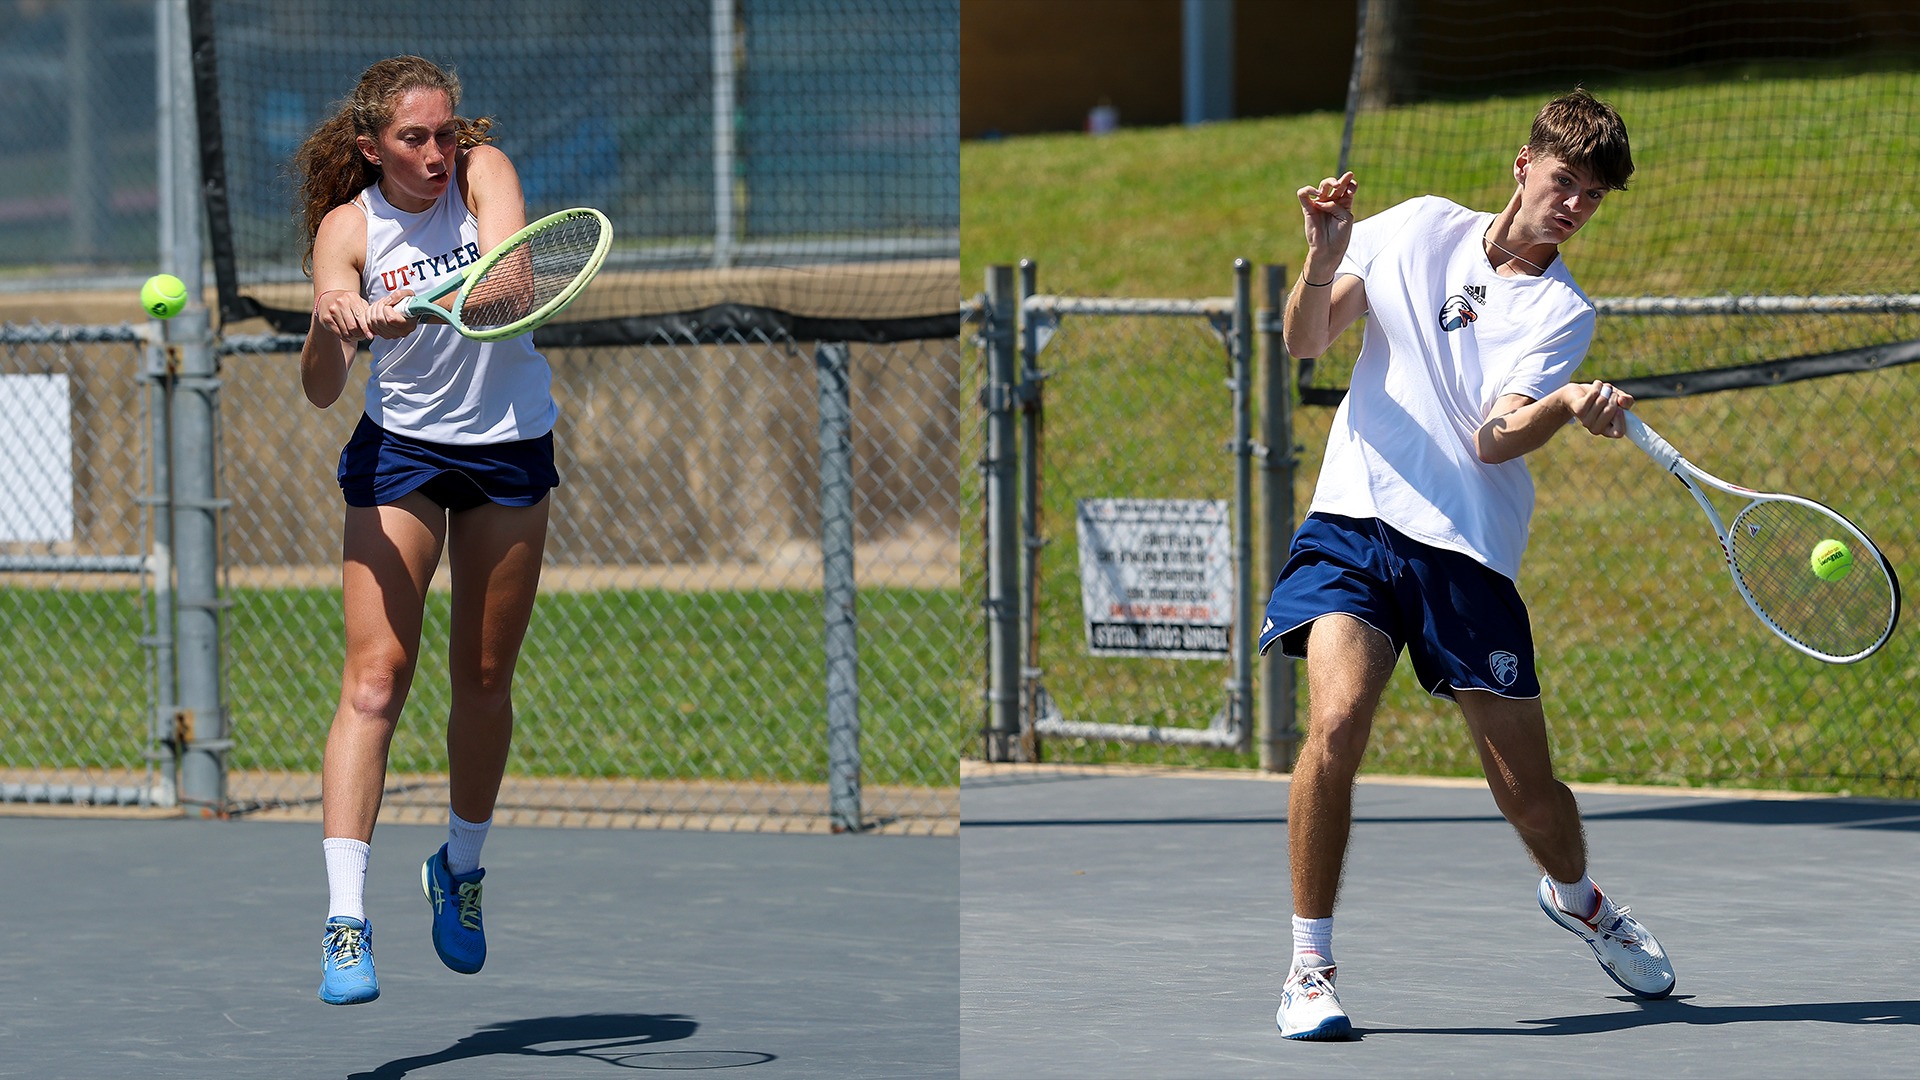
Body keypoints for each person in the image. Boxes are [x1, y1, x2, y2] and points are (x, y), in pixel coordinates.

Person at [1263, 89, 1673, 1041]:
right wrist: (1324, 259)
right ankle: (1309, 967)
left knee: (1530, 796)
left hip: (1466, 559)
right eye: (1564, 182)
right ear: (1523, 165)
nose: (1572, 206)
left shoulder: (1562, 309)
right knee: (1335, 722)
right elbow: (1306, 338)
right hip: (1355, 525)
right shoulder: (1412, 230)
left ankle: (1580, 899)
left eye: (1592, 198)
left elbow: (1494, 438)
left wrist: (1565, 405)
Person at [294, 55, 558, 1006]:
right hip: (399, 454)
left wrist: (414, 306)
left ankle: (461, 867)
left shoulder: (486, 170)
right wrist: (338, 319)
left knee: (483, 682)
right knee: (375, 679)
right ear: (372, 147)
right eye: (416, 138)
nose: (440, 152)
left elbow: (512, 287)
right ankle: (344, 920)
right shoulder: (347, 226)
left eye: (446, 131)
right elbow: (322, 386)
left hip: (508, 448)